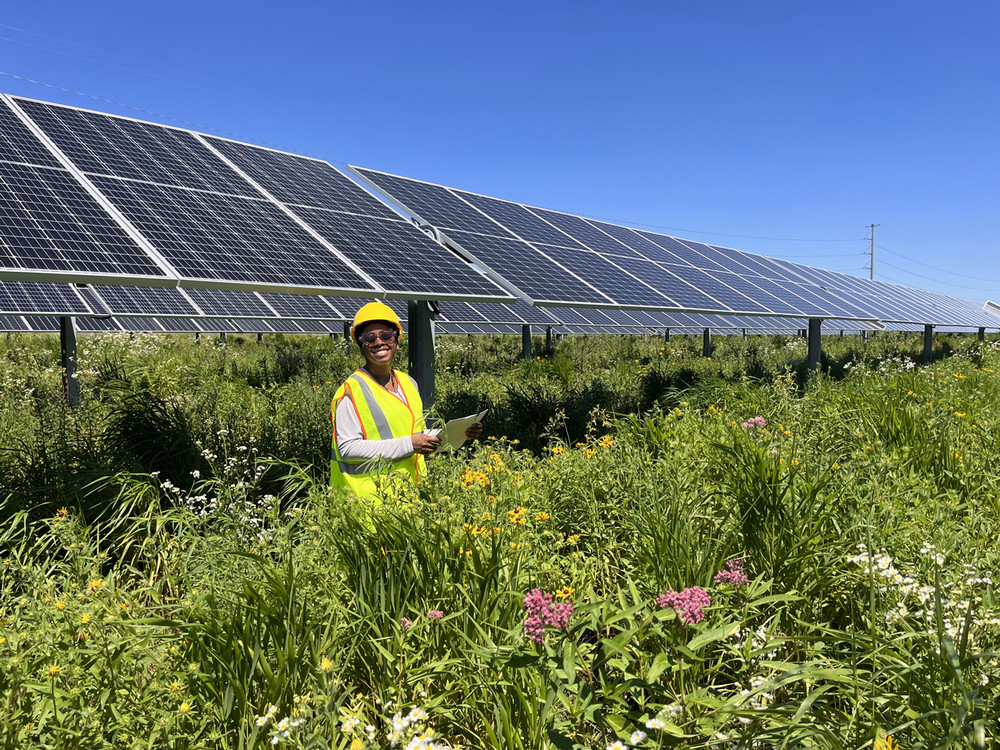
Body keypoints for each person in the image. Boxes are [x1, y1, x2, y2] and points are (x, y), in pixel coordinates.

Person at [330, 301, 482, 500]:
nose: (378, 342)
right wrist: (410, 445)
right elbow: (348, 448)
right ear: (361, 346)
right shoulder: (351, 391)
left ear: (396, 341)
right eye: (369, 338)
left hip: (410, 495)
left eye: (386, 335)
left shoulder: (408, 383)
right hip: (369, 503)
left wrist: (457, 432)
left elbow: (414, 434)